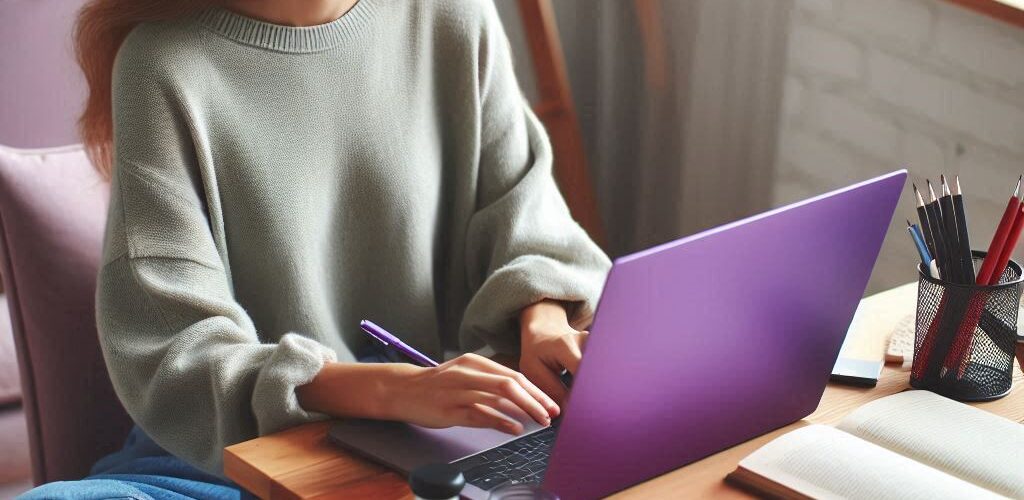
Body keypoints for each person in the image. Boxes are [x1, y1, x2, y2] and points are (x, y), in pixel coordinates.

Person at [19, 0, 610, 498]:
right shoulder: (162, 66)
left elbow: (527, 217)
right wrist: (391, 389)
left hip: (449, 437)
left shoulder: (452, 14)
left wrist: (544, 323)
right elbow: (173, 346)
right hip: (237, 451)